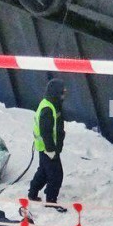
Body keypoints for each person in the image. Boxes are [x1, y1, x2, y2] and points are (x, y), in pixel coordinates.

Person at [28, 78, 67, 212]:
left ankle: (32, 193)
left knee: (44, 172)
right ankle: (51, 201)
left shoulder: (53, 104)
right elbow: (46, 132)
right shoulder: (47, 108)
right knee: (56, 175)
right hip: (47, 148)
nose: (64, 95)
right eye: (62, 92)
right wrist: (50, 149)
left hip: (47, 147)